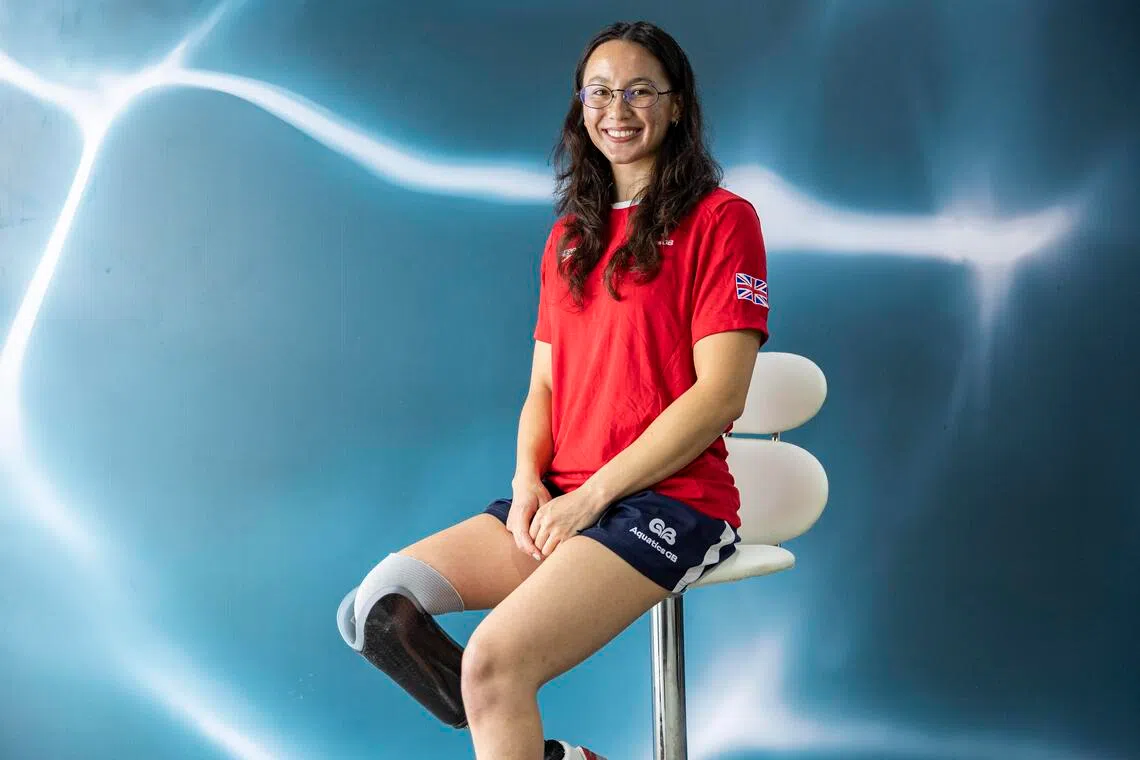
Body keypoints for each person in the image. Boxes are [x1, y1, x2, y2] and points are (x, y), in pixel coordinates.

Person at [336, 19, 769, 760]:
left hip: (670, 503)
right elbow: (544, 382)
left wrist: (591, 498)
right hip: (564, 493)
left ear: (675, 106)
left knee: (495, 665)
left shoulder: (723, 221)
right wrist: (528, 484)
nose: (618, 109)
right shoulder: (573, 234)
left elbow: (719, 398)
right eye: (599, 91)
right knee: (378, 610)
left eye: (640, 91)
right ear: (580, 107)